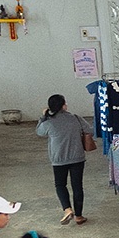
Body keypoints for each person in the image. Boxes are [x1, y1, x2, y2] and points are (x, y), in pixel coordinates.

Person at [36, 93, 91, 225]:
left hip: (58, 159)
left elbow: (39, 132)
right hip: (77, 157)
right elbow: (90, 130)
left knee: (60, 184)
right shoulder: (76, 118)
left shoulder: (48, 122)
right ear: (63, 106)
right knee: (77, 186)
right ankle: (79, 216)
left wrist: (43, 117)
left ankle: (67, 209)